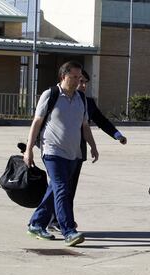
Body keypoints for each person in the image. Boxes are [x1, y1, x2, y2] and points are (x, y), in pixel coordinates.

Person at [24, 61, 99, 247]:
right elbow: (37, 122)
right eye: (74, 77)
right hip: (52, 151)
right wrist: (28, 150)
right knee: (62, 188)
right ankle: (69, 231)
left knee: (55, 189)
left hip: (72, 153)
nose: (77, 81)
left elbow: (85, 126)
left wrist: (93, 146)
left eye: (79, 77)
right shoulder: (50, 95)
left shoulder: (81, 99)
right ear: (63, 76)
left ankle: (36, 223)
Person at [47, 69, 127, 232]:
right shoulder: (56, 97)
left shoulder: (87, 102)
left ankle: (60, 219)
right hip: (57, 150)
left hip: (77, 152)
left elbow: (101, 120)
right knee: (60, 187)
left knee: (68, 188)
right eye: (79, 80)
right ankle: (57, 221)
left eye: (84, 82)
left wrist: (117, 135)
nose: (82, 85)